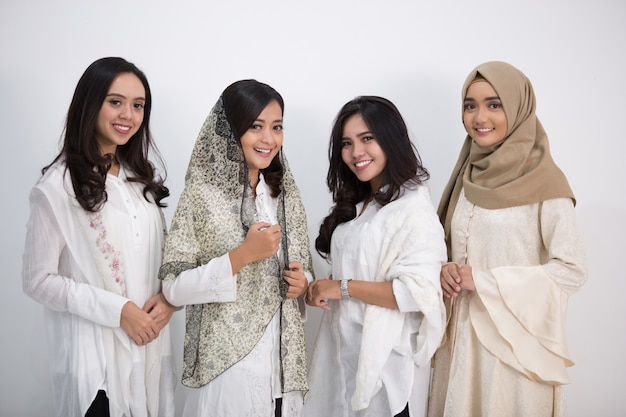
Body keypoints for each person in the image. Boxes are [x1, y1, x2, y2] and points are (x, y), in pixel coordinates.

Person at [427, 61, 588, 417]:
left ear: (518, 108)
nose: (479, 116)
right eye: (470, 105)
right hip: (461, 346)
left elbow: (571, 271)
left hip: (515, 355)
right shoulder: (465, 178)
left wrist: (483, 280)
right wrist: (445, 270)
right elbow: (451, 247)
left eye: (494, 104)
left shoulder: (547, 184)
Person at [22, 57, 176, 417]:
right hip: (95, 363)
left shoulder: (140, 181)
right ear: (90, 105)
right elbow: (37, 281)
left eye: (138, 106)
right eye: (115, 102)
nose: (128, 115)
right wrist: (118, 311)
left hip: (149, 349)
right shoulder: (57, 187)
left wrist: (169, 300)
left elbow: (160, 259)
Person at [158, 79, 313, 416]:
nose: (269, 139)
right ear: (229, 130)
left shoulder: (284, 196)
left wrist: (303, 285)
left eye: (277, 127)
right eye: (255, 126)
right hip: (228, 373)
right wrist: (243, 255)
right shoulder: (201, 194)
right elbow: (172, 288)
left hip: (283, 373)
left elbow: (303, 273)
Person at [304, 96, 447, 417]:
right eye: (346, 143)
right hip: (344, 359)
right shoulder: (359, 206)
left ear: (390, 139)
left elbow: (415, 293)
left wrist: (340, 287)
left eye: (367, 138)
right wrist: (319, 289)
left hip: (388, 372)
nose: (356, 152)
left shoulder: (413, 209)